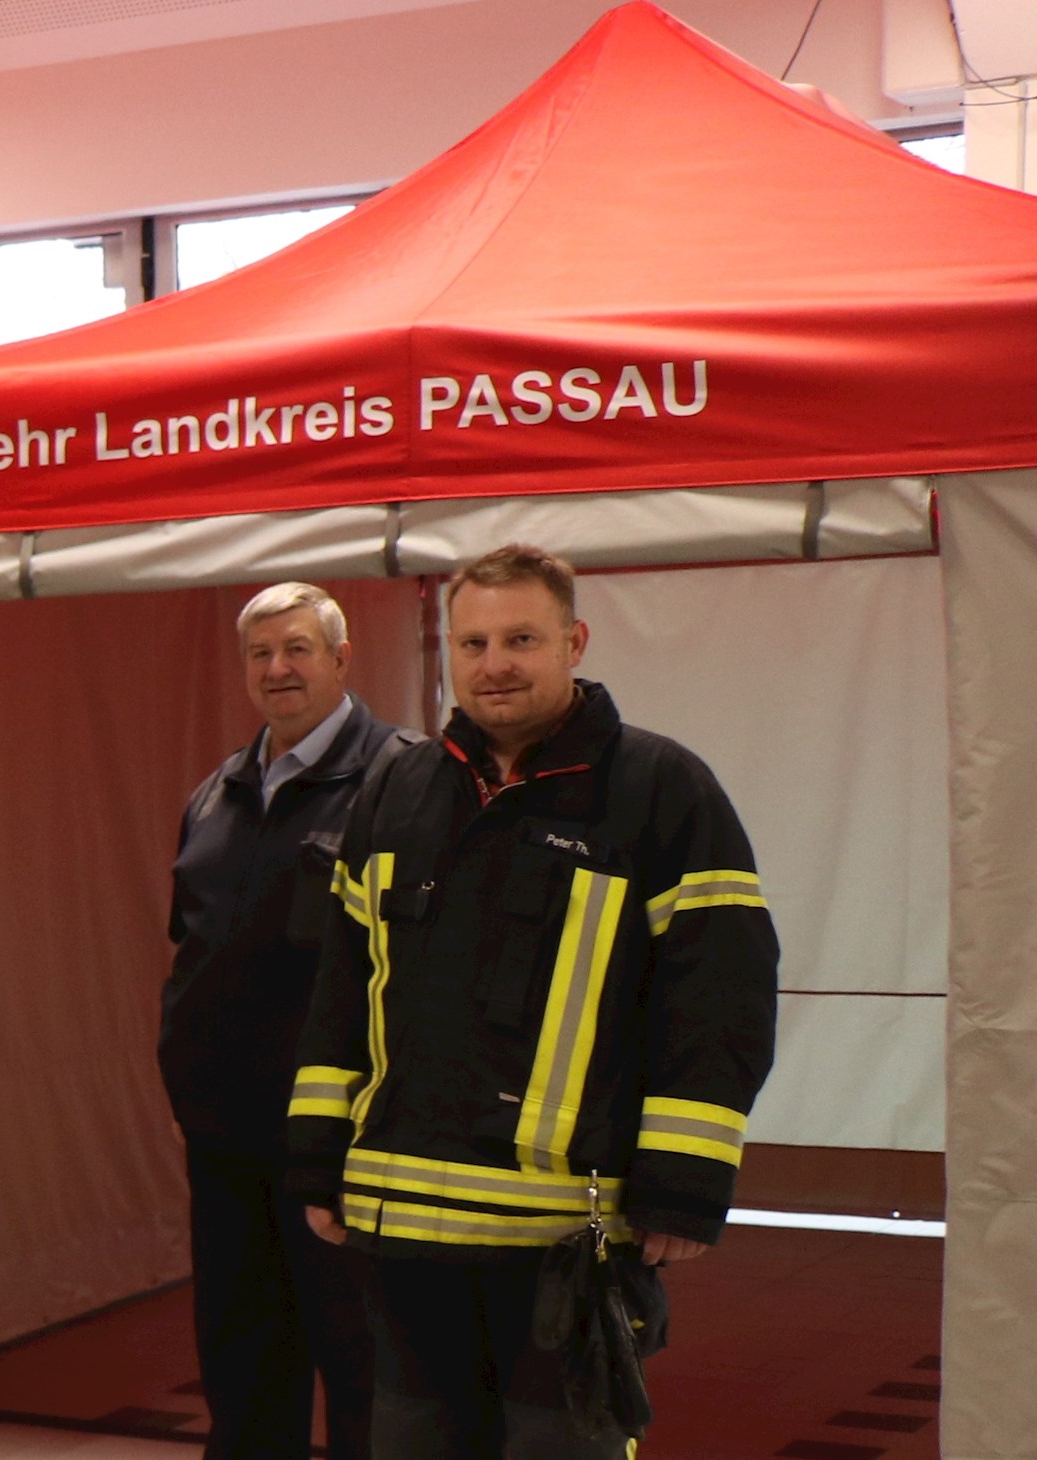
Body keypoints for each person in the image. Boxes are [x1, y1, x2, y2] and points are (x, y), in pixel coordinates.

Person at [290, 546, 776, 1458]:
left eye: (520, 638)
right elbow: (342, 987)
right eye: (471, 641)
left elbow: (720, 997)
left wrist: (682, 1184)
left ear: (574, 642)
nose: (494, 662)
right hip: (399, 1229)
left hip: (566, 1235)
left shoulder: (662, 791)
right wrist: (318, 1156)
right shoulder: (396, 789)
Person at [166, 585, 406, 1460]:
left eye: (298, 648)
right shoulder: (215, 796)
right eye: (261, 653)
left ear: (342, 659)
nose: (279, 668)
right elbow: (191, 954)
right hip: (227, 1138)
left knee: (362, 1369)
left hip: (344, 1142)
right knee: (242, 1365)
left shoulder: (401, 782)